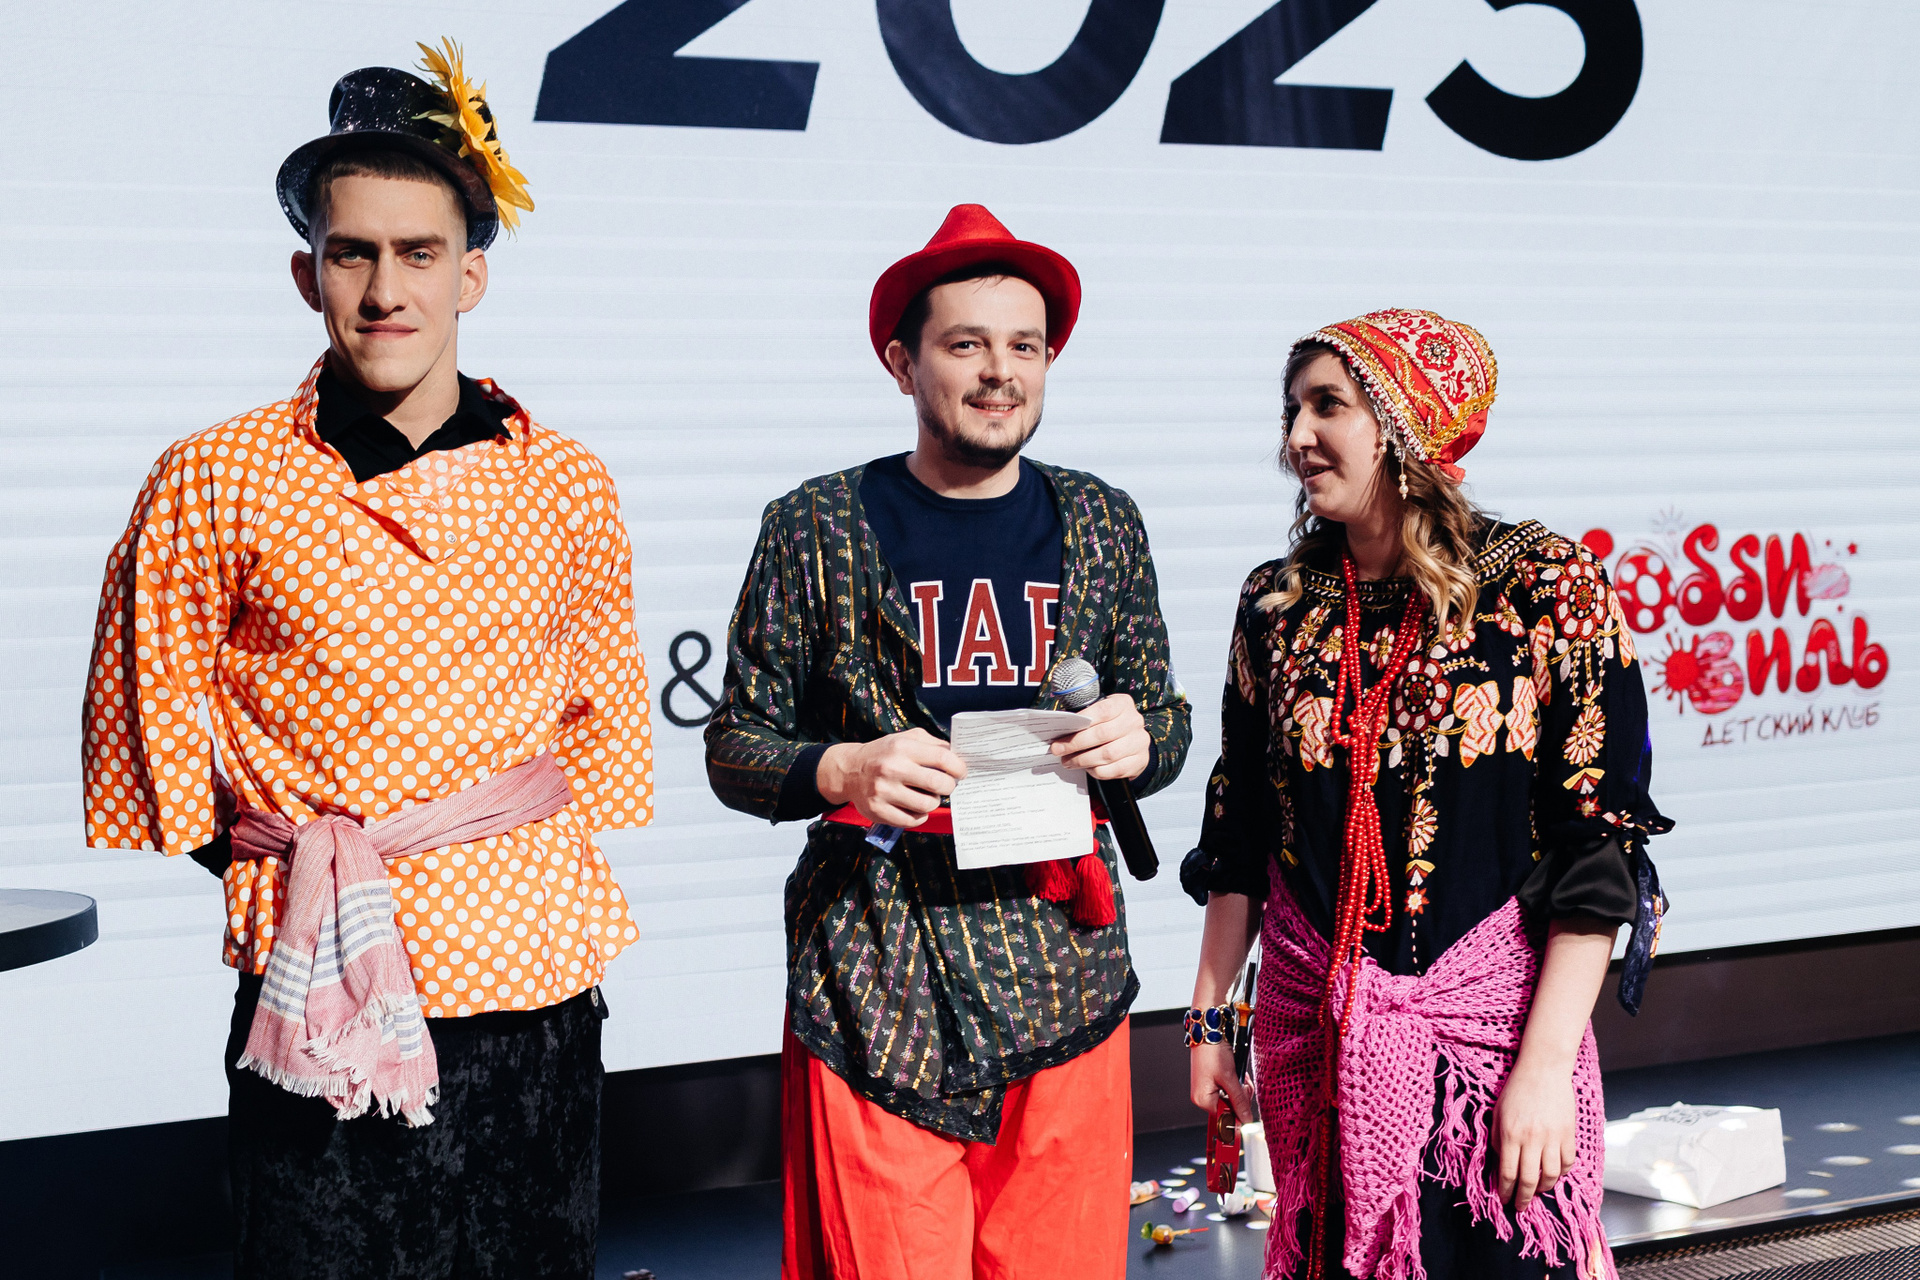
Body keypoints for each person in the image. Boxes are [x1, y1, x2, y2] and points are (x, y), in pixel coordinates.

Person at [81, 43, 651, 1278]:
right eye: (354, 253)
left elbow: (599, 726)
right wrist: (313, 869)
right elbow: (149, 721)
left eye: (420, 252)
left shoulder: (566, 480)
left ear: (472, 273)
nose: (386, 288)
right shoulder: (212, 474)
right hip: (316, 981)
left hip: (533, 982)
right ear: (308, 272)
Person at [705, 204, 1191, 1280]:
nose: (999, 372)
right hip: (878, 962)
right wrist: (842, 767)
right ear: (902, 362)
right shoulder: (815, 524)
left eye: (1025, 347)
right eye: (966, 344)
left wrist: (1138, 739)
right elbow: (734, 742)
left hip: (1063, 960)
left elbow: (1165, 718)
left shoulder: (1103, 521)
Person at [1181, 310, 1670, 1280]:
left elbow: (1597, 846)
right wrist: (1209, 1025)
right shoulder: (1277, 603)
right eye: (1291, 411)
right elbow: (1240, 829)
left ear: (1406, 423)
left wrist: (1543, 1070)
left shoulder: (1547, 586)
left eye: (1328, 406)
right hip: (1319, 1050)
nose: (1297, 437)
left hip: (1493, 1060)